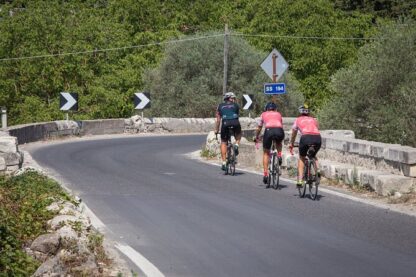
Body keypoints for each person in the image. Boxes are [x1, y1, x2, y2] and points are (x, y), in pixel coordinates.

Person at [289, 104, 322, 188]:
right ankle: (318, 170)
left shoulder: (298, 120)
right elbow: (317, 128)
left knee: (302, 157)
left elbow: (294, 133)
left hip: (306, 138)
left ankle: (300, 180)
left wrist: (291, 143)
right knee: (313, 155)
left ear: (300, 112)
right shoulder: (314, 119)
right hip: (317, 138)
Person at [255, 102, 285, 184]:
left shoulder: (263, 114)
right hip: (279, 130)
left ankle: (265, 174)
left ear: (266, 109)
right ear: (275, 109)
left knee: (266, 153)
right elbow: (280, 124)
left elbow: (259, 127)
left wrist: (256, 136)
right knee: (279, 142)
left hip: (269, 131)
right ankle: (279, 155)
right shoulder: (279, 114)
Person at [215, 92, 242, 171]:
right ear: (229, 98)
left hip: (225, 123)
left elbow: (218, 120)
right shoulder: (236, 105)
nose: (234, 99)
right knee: (239, 134)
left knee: (223, 142)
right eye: (233, 98)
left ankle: (223, 163)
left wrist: (216, 130)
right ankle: (236, 144)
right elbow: (237, 116)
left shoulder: (220, 106)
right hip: (235, 122)